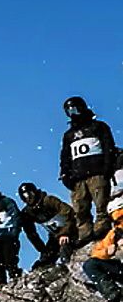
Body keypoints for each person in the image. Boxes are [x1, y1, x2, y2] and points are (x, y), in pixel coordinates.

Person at [59, 95, 116, 242]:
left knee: (101, 203)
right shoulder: (69, 135)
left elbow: (108, 147)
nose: (73, 114)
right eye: (69, 111)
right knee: (80, 209)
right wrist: (65, 174)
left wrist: (107, 168)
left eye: (75, 109)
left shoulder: (98, 127)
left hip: (97, 173)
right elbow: (65, 156)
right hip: (78, 177)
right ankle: (85, 234)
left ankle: (102, 229)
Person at [17, 182, 77, 268]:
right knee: (46, 258)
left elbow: (69, 213)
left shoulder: (49, 201)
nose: (29, 198)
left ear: (35, 192)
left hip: (71, 230)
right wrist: (42, 249)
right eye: (25, 197)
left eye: (30, 194)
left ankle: (66, 268)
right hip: (54, 236)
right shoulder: (28, 213)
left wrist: (65, 232)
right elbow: (30, 233)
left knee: (65, 248)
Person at [82, 208, 123, 302]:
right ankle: (115, 295)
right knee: (91, 265)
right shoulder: (115, 233)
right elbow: (96, 253)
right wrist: (107, 252)